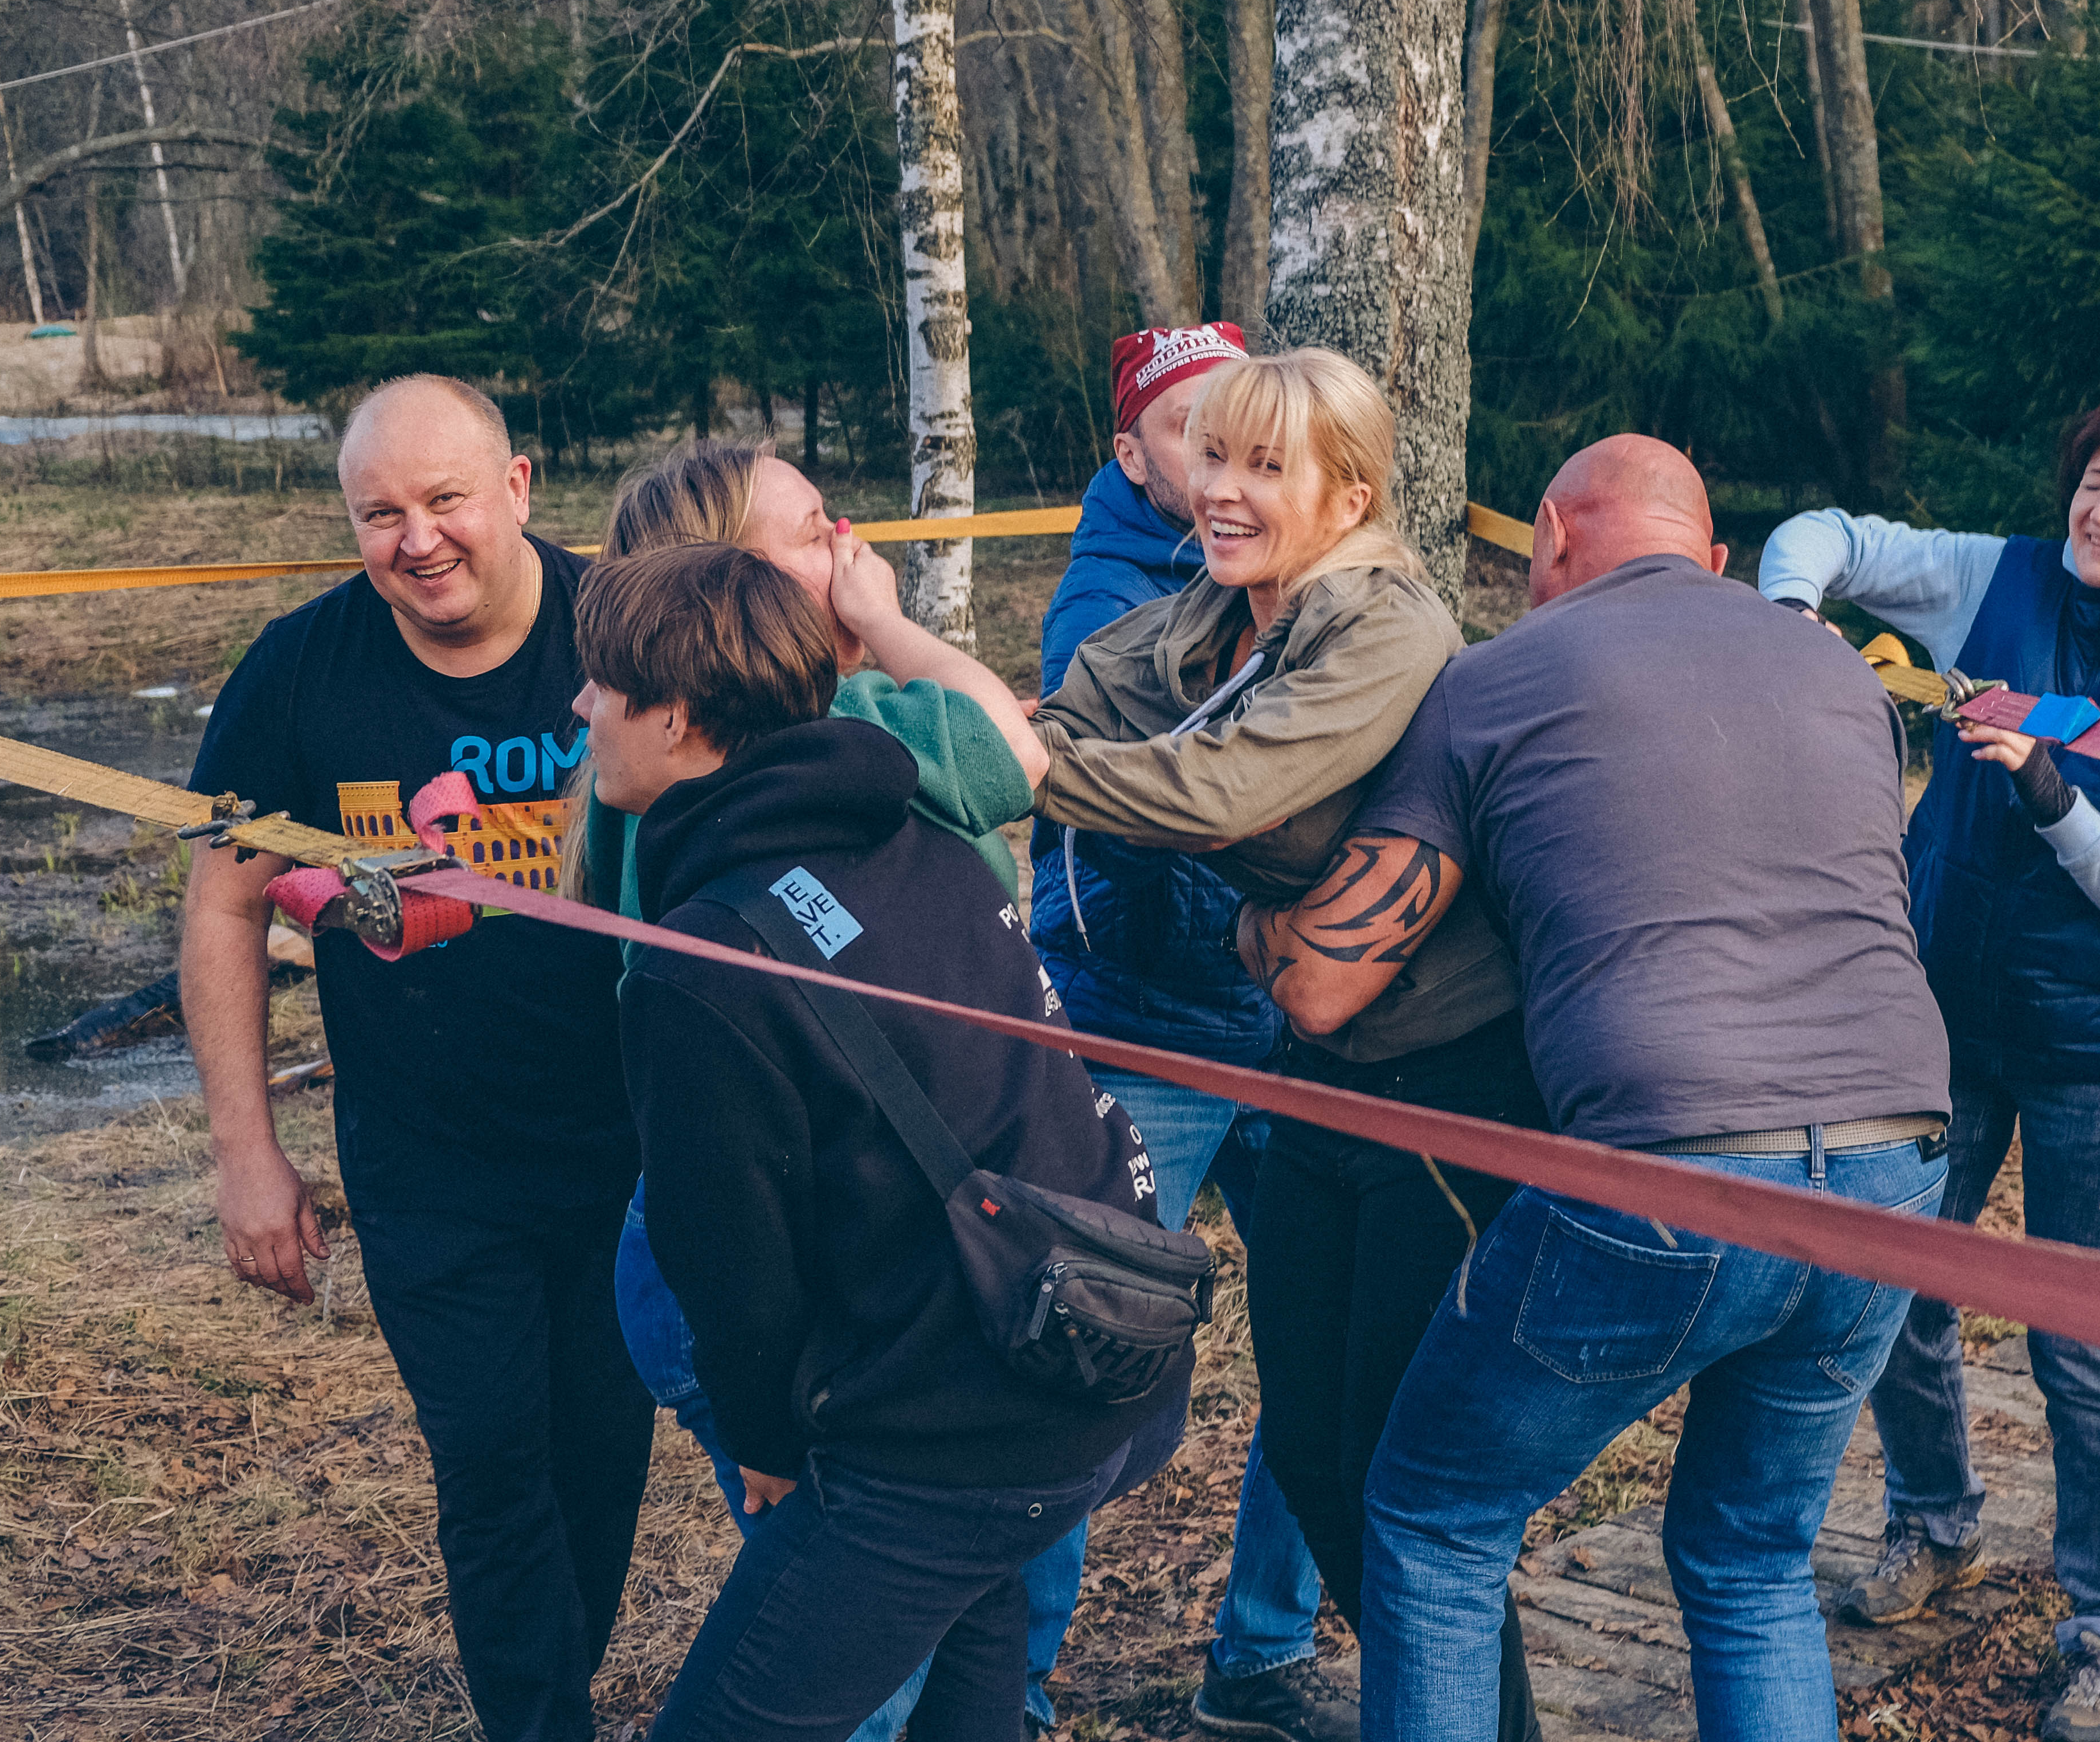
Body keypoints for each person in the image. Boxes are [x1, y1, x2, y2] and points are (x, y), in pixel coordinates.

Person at [1241, 436, 1954, 1740]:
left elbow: (1323, 986)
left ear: (1552, 536)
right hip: (1894, 1162)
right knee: (1752, 1557)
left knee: (1433, 1517)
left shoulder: (1496, 677)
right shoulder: (1845, 676)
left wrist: (1245, 910)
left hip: (1666, 1163)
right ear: (1714, 557)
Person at [1758, 384, 2100, 1742]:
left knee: (2086, 1345)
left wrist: (2050, 793)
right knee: (1890, 1287)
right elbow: (1824, 533)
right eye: (2094, 479)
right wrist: (1791, 613)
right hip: (1937, 1016)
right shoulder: (2000, 579)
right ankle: (1936, 1522)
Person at [1027, 347, 1545, 1741]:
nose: (1224, 488)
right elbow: (1079, 702)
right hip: (1314, 1065)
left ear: (1350, 494)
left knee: (1405, 1474)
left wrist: (1033, 769)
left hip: (1447, 1083)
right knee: (1317, 1453)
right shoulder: (1212, 612)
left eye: (1267, 465)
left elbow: (1218, 789)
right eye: (1213, 455)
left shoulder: (1387, 623)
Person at [589, 543, 1188, 1742]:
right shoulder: (919, 837)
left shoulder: (701, 965)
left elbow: (731, 1263)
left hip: (953, 1443)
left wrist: (764, 1446)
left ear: (679, 718)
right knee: (971, 1696)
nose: (579, 709)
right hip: (1096, 1376)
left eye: (601, 685)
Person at [182, 377, 649, 1742]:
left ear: (517, 487)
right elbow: (223, 908)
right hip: (428, 1162)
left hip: (631, 1141)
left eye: (446, 500)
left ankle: (553, 1687)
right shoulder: (300, 671)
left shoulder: (623, 625)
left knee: (599, 1461)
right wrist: (246, 1152)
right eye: (379, 513)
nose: (417, 539)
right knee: (494, 1465)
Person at [1032, 326, 1335, 1742]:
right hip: (1145, 1024)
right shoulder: (1109, 605)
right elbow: (1164, 787)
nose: (1224, 467)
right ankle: (1009, 1690)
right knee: (1081, 1345)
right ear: (1132, 456)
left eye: (1248, 438)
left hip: (1290, 1022)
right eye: (1193, 438)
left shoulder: (1303, 573)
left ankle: (1264, 1654)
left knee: (1330, 1337)